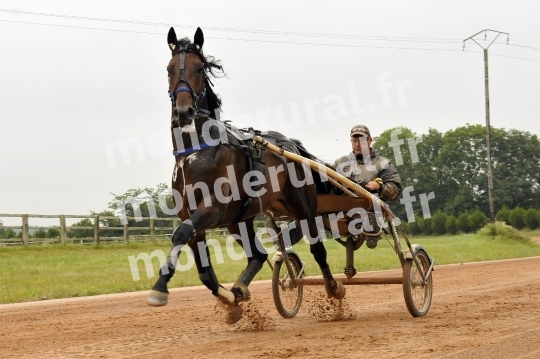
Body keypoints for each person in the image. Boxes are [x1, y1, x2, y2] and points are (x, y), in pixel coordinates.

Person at [333, 124, 402, 201]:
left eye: (361, 141)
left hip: (371, 210)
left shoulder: (384, 163)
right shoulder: (339, 163)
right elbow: (326, 190)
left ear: (370, 140)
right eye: (354, 141)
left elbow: (395, 192)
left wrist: (379, 187)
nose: (357, 144)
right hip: (341, 210)